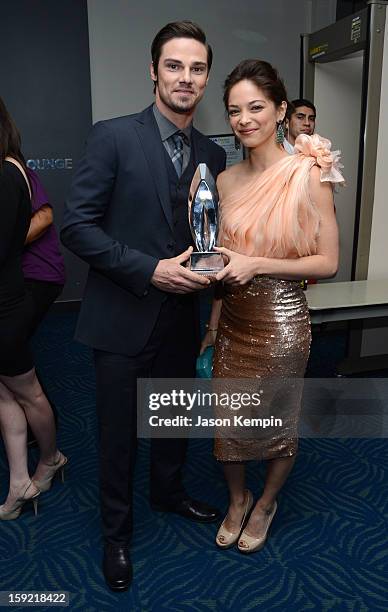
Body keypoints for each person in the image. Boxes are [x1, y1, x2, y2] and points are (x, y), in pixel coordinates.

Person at [61, 21, 226, 591]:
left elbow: (205, 233)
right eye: (175, 66)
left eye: (197, 68)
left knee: (174, 417)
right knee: (116, 434)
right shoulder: (112, 136)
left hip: (183, 317)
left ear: (206, 78)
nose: (185, 78)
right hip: (121, 315)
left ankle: (169, 492)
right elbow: (75, 227)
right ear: (153, 71)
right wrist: (147, 268)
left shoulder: (210, 153)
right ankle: (117, 536)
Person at [200, 59, 344, 553]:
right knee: (228, 419)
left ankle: (266, 502)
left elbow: (326, 262)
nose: (244, 119)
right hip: (234, 317)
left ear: (281, 110)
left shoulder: (309, 173)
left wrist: (255, 264)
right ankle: (238, 498)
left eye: (256, 107)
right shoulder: (224, 181)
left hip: (283, 320)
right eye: (234, 110)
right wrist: (213, 326)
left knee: (277, 421)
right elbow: (224, 261)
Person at [0, 97, 66, 521]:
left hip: (6, 305)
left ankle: (52, 458)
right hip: (7, 299)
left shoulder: (8, 172)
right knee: (4, 391)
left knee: (26, 390)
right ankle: (19, 480)